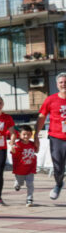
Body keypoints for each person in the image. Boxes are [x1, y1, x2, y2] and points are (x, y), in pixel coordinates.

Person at [35, 72, 66, 200]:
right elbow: (42, 117)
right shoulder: (51, 99)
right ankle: (58, 184)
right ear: (57, 85)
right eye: (61, 82)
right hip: (57, 137)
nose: (64, 84)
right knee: (58, 165)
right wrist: (36, 134)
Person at [10, 125, 38, 207]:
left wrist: (37, 142)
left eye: (28, 134)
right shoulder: (17, 144)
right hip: (20, 169)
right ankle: (17, 184)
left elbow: (37, 150)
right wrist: (12, 146)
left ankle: (29, 198)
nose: (26, 136)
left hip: (30, 169)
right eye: (24, 134)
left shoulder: (32, 144)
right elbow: (13, 152)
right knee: (20, 183)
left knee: (30, 184)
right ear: (20, 135)